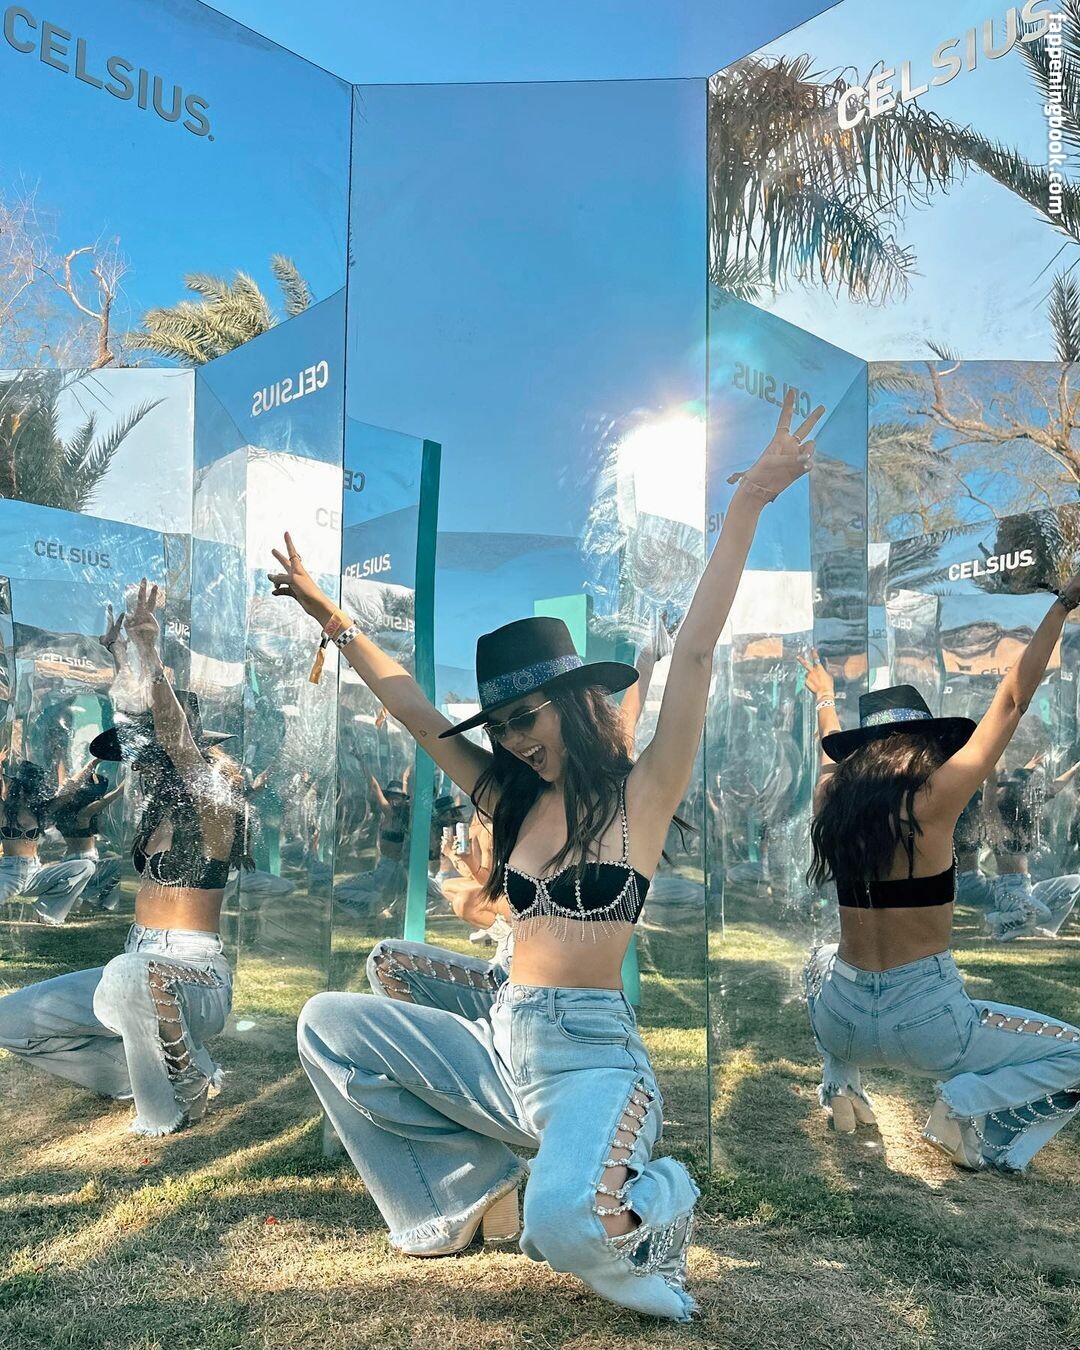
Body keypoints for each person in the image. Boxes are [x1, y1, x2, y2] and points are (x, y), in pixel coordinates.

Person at [273, 388, 821, 1322]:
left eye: (526, 718)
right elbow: (414, 710)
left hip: (594, 1063)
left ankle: (658, 1196)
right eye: (501, 727)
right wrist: (332, 615)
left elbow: (693, 654)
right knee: (327, 1022)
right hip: (503, 1043)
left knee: (563, 1230)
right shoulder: (512, 797)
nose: (514, 741)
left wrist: (748, 503)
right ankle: (463, 1199)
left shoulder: (644, 794)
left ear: (571, 702)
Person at [800, 584, 1080, 1170]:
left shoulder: (832, 804)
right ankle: (961, 1105)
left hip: (841, 1020)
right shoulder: (933, 802)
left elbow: (829, 759)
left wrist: (824, 697)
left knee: (819, 958)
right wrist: (1061, 606)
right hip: (928, 1026)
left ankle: (841, 1083)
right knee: (1076, 1054)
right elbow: (1011, 702)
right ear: (923, 748)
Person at [0, 581, 248, 1135]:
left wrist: (150, 651)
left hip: (195, 977)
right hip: (134, 968)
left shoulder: (215, 811)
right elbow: (141, 722)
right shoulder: (158, 811)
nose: (139, 762)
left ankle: (169, 1103)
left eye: (149, 754)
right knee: (11, 1021)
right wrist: (119, 658)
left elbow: (176, 740)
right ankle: (139, 1075)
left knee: (129, 972)